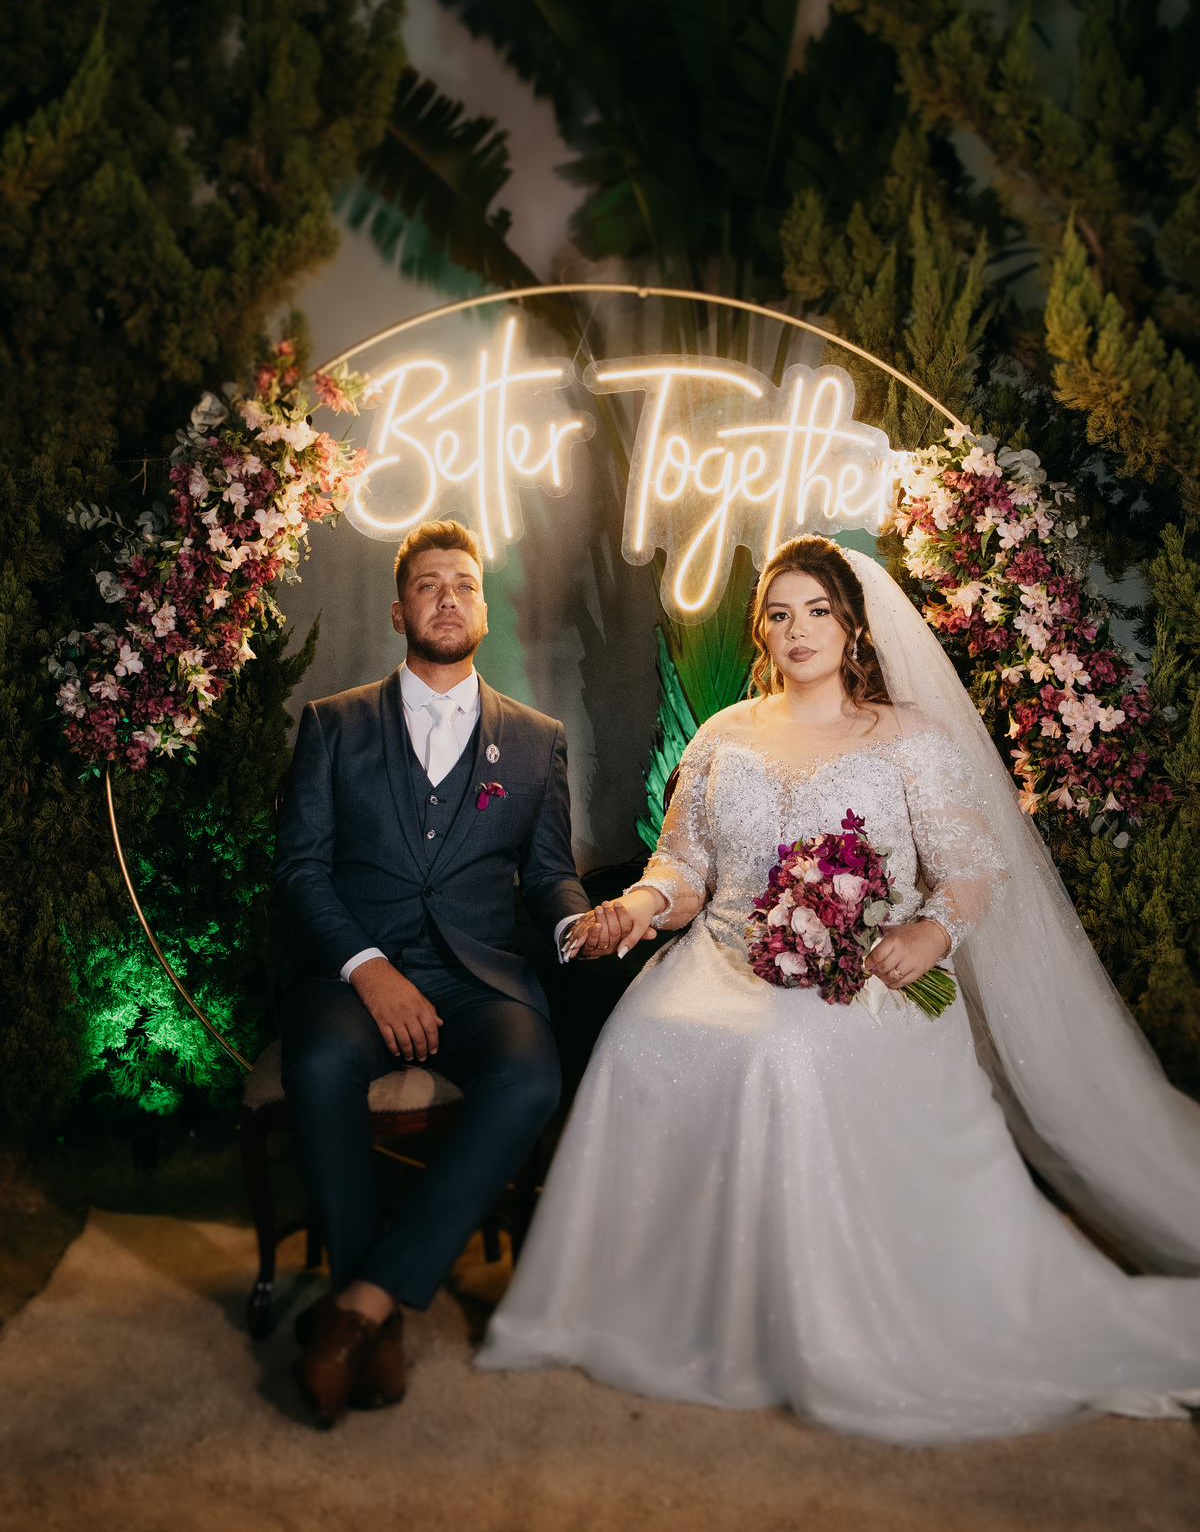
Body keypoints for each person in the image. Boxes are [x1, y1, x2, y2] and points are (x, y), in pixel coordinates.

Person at [479, 536, 1200, 1444]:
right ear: (762, 632)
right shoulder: (723, 734)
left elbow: (973, 868)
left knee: (785, 1054)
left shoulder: (907, 737)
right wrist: (636, 906)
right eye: (780, 614)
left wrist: (928, 935)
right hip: (722, 958)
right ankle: (662, 1305)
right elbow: (685, 867)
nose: (799, 629)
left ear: (853, 626)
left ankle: (807, 1323)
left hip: (864, 977)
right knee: (637, 1036)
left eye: (817, 611)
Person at [273, 518, 595, 1426]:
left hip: (476, 980)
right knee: (319, 1063)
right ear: (398, 610)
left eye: (464, 584)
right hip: (352, 971)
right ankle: (373, 1324)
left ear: (483, 609)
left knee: (531, 1075)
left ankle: (360, 1308)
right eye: (428, 585)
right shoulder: (332, 725)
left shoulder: (535, 739)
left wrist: (577, 923)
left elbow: (549, 874)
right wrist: (368, 968)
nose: (448, 598)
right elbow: (299, 870)